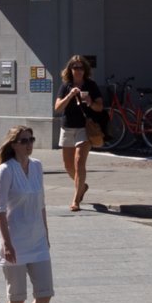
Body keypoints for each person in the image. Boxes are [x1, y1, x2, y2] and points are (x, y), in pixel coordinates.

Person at [0, 125, 53, 303]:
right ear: (13, 144)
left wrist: (46, 234)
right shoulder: (5, 170)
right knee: (16, 297)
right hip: (14, 242)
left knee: (45, 293)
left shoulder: (37, 166)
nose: (29, 144)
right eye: (23, 140)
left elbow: (41, 204)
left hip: (37, 240)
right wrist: (6, 243)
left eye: (31, 139)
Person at [54, 56, 102, 213]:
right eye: (75, 67)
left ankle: (76, 199)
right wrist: (70, 95)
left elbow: (100, 107)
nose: (78, 70)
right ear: (70, 70)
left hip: (84, 128)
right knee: (68, 166)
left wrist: (90, 101)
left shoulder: (91, 85)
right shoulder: (66, 86)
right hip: (67, 128)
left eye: (81, 67)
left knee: (79, 162)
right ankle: (82, 186)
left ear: (85, 70)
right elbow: (58, 108)